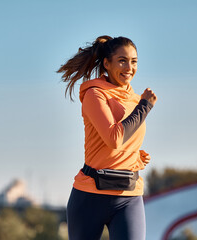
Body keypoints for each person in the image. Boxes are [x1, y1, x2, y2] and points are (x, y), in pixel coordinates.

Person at [57, 36, 157, 240]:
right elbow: (114, 138)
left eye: (134, 61)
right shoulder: (96, 95)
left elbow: (125, 139)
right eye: (122, 60)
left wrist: (136, 156)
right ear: (106, 63)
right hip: (90, 195)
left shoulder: (135, 99)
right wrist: (144, 107)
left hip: (128, 196)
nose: (129, 67)